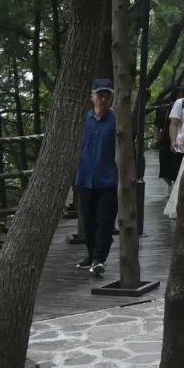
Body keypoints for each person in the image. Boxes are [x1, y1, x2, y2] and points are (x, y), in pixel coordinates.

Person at [75, 78, 118, 275]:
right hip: (84, 178)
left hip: (108, 178)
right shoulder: (83, 119)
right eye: (99, 95)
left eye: (107, 95)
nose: (103, 99)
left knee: (105, 220)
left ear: (112, 99)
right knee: (88, 221)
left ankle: (100, 259)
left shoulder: (116, 121)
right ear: (92, 97)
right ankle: (91, 255)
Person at [154, 86, 184, 190]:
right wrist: (155, 138)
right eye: (178, 96)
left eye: (182, 96)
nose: (180, 98)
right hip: (166, 139)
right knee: (164, 165)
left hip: (182, 139)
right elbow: (157, 125)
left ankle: (176, 185)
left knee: (178, 165)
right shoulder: (165, 109)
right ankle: (170, 184)